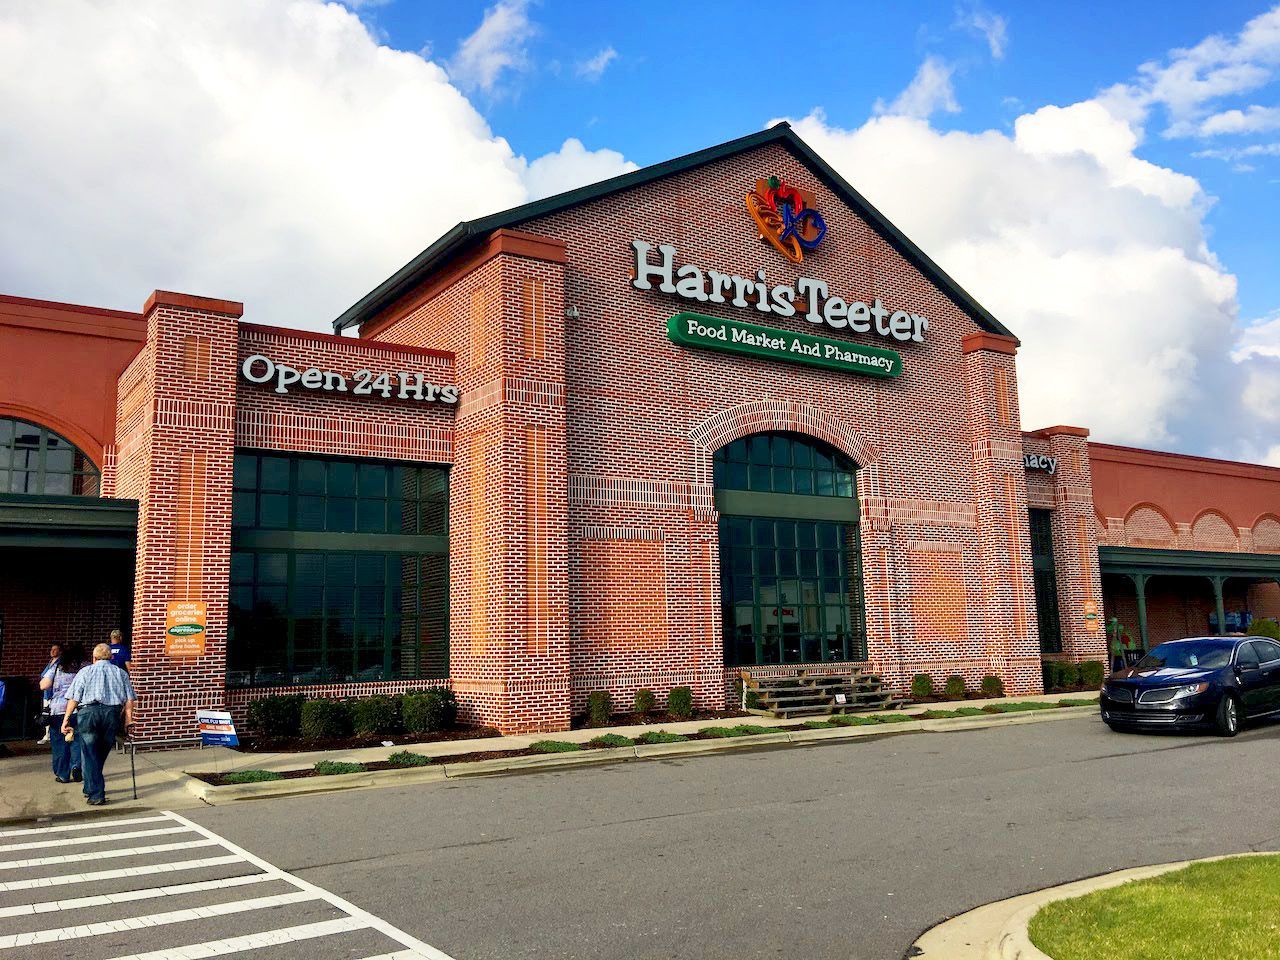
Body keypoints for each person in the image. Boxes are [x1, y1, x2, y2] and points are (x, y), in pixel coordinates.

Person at [61, 642, 136, 805]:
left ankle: (96, 793)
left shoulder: (85, 672)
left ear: (94, 657)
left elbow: (74, 697)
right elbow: (129, 699)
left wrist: (66, 718)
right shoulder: (121, 673)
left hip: (88, 713)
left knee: (90, 753)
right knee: (99, 753)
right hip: (112, 714)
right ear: (111, 657)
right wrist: (129, 719)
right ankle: (90, 787)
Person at [42, 644, 84, 783]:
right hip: (78, 708)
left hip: (58, 709)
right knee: (76, 740)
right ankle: (76, 766)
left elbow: (44, 685)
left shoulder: (56, 668)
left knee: (60, 742)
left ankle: (62, 774)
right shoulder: (84, 668)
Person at [36, 643, 62, 745]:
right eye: (52, 649)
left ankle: (51, 735)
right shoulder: (50, 662)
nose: (52, 651)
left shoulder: (59, 663)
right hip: (46, 693)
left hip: (54, 694)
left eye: (55, 649)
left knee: (53, 715)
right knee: (46, 714)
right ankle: (47, 735)